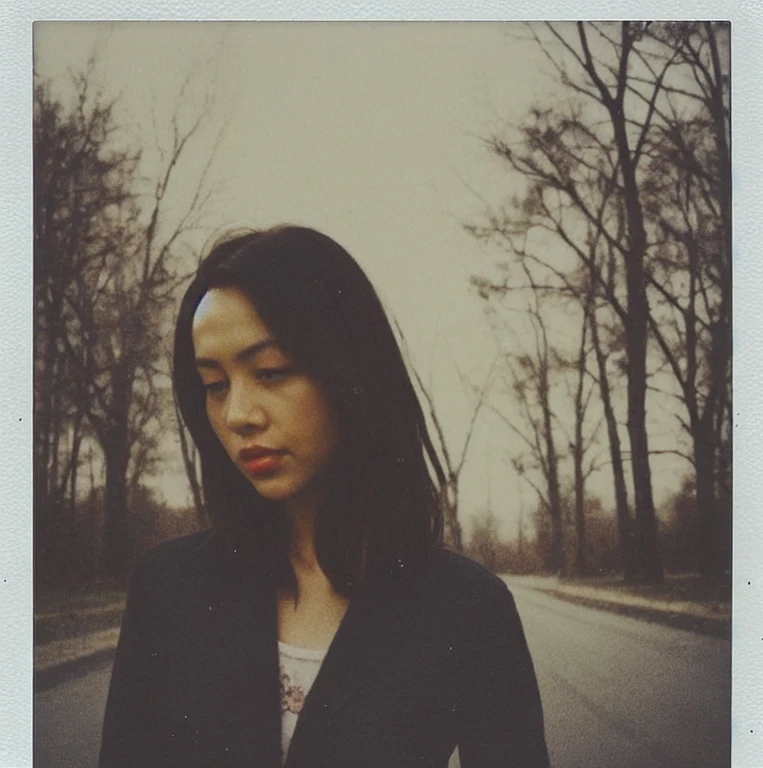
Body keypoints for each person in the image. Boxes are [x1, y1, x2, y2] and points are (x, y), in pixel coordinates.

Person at [99, 225, 550, 768]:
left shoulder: (465, 609)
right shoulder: (166, 590)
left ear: (351, 374)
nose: (239, 413)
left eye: (270, 371)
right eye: (215, 385)